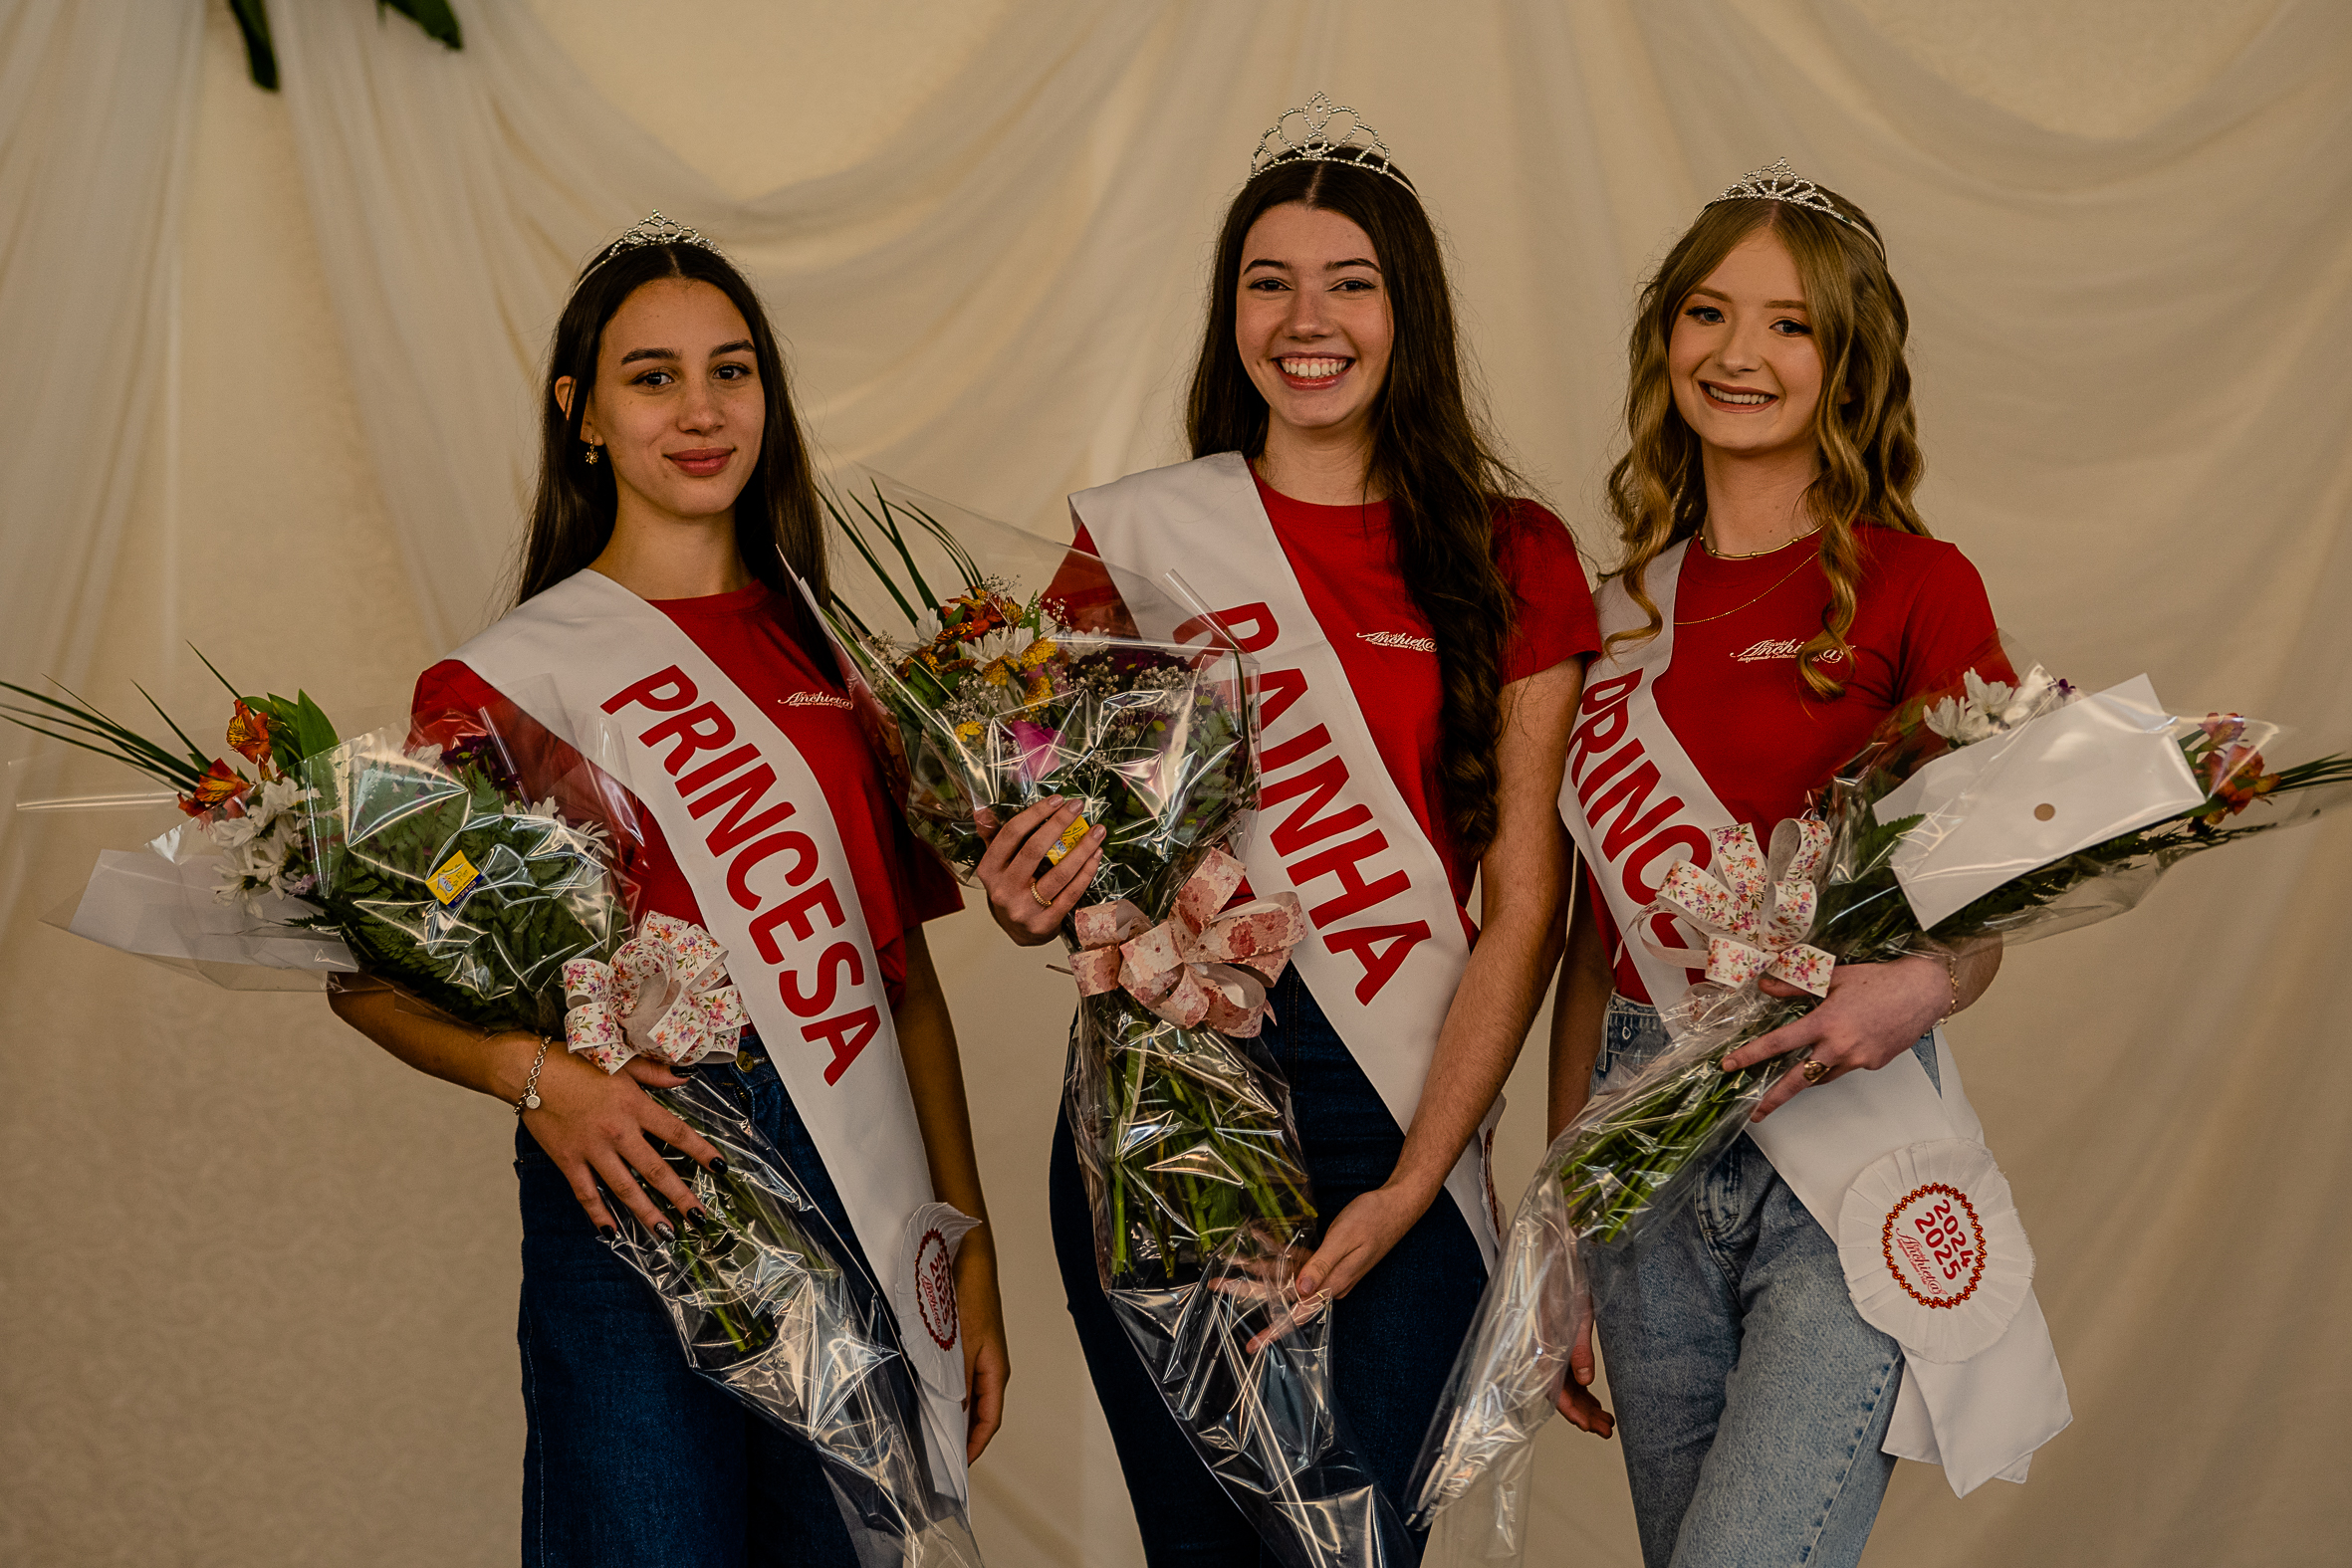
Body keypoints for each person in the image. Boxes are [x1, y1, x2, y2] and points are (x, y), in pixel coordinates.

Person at [328, 216, 1007, 1568]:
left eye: (732, 371)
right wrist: (543, 1083)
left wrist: (966, 1251)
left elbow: (903, 986)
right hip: (632, 1169)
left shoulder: (840, 659)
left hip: (850, 1162)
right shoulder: (502, 685)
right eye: (653, 377)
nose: (700, 412)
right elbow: (366, 979)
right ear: (581, 415)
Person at [979, 100, 1597, 1563]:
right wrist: (1025, 888)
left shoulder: (1515, 558)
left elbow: (1525, 900)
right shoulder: (1137, 541)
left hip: (1404, 1100)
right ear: (1227, 312)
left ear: (1408, 315)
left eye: (1350, 282)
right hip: (1175, 1095)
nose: (1305, 320)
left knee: (1359, 1545)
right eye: (1269, 281)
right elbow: (1052, 830)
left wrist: (1408, 1182)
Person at [1546, 161, 2056, 1568]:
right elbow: (1586, 951)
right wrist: (1564, 1223)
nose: (1738, 353)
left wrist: (1925, 990)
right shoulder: (1612, 617)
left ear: (1844, 363)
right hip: (1642, 1142)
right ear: (1667, 342)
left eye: (1787, 324)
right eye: (1708, 313)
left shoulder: (1914, 585)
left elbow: (1987, 902)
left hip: (1844, 1135)